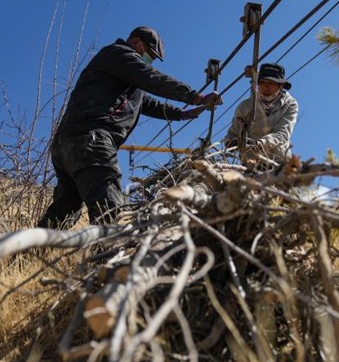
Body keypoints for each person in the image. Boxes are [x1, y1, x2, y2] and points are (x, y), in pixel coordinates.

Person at [37, 26, 222, 228]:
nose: (148, 61)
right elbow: (151, 78)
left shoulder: (123, 76)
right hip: (91, 140)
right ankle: (106, 258)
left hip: (69, 145)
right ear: (136, 43)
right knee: (110, 212)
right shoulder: (118, 54)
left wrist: (181, 114)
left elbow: (146, 103)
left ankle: (27, 255)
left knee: (62, 214)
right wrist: (194, 96)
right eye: (149, 56)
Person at [223, 63, 298, 167]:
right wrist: (230, 142)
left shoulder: (290, 104)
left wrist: (259, 143)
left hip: (278, 163)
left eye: (271, 83)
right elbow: (233, 132)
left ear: (281, 85)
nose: (266, 86)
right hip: (251, 163)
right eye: (262, 82)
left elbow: (283, 134)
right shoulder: (245, 106)